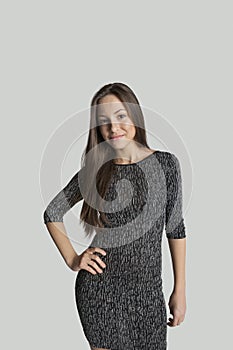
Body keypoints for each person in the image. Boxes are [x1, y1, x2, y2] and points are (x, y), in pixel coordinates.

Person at [43, 82, 187, 350]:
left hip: (148, 294)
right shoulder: (95, 171)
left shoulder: (166, 164)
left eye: (121, 116)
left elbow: (175, 228)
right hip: (99, 291)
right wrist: (74, 259)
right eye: (103, 121)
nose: (113, 127)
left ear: (134, 115)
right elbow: (52, 213)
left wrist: (180, 289)